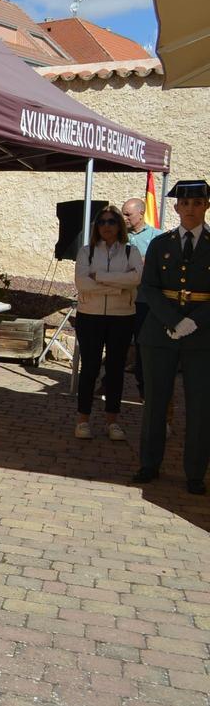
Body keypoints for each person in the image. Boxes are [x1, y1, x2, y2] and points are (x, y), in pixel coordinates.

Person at [134, 179, 210, 495]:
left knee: (201, 406)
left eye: (197, 203)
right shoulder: (160, 244)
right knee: (155, 401)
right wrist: (174, 321)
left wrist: (193, 322)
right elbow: (148, 287)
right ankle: (149, 464)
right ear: (176, 207)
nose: (190, 209)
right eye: (184, 203)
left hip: (203, 335)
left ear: (206, 205)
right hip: (160, 332)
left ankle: (195, 472)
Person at [72, 205, 142, 441]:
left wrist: (100, 277)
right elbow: (82, 283)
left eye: (112, 221)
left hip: (122, 317)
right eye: (102, 222)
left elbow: (136, 279)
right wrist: (118, 287)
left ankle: (112, 421)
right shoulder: (86, 252)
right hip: (89, 316)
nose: (106, 226)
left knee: (115, 370)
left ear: (119, 225)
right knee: (90, 368)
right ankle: (83, 420)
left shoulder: (131, 252)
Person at [123, 196, 164, 399]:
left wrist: (137, 261)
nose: (125, 218)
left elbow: (154, 266)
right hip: (121, 300)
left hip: (143, 302)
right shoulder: (120, 235)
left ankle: (144, 389)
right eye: (122, 214)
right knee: (117, 345)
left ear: (141, 213)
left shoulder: (157, 237)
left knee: (141, 346)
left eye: (128, 214)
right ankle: (107, 383)